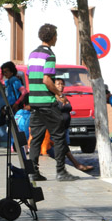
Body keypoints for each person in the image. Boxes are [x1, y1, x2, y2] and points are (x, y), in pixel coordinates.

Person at [27, 23, 74, 182]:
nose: (57, 38)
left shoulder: (32, 54)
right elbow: (46, 79)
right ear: (52, 37)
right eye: (56, 36)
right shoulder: (50, 55)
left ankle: (33, 172)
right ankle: (61, 172)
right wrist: (59, 94)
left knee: (36, 138)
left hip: (34, 102)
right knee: (59, 136)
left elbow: (31, 76)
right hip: (47, 102)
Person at [54, 78, 93, 172]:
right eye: (58, 84)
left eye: (62, 84)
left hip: (66, 127)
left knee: (64, 147)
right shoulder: (53, 98)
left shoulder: (64, 96)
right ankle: (76, 165)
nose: (61, 86)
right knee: (63, 147)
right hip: (58, 127)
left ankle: (66, 166)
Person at [0, 61, 25, 145]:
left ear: (12, 71)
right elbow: (0, 82)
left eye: (6, 71)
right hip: (9, 108)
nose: (4, 73)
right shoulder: (9, 81)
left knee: (13, 128)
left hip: (14, 108)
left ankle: (14, 146)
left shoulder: (14, 80)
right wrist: (1, 73)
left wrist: (16, 103)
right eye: (3, 72)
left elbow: (24, 92)